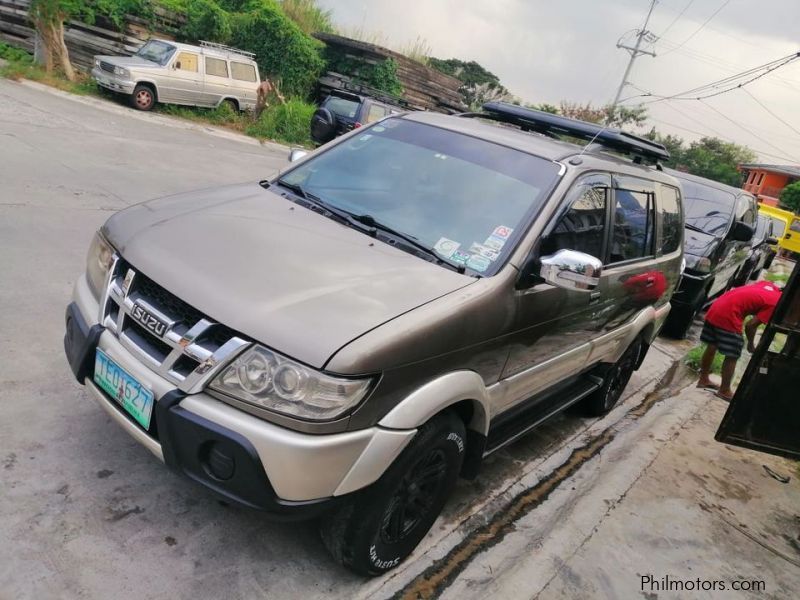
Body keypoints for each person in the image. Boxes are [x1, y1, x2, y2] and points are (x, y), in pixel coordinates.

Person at [696, 280, 782, 400]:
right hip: (729, 315)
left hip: (716, 307)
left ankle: (703, 379)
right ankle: (724, 390)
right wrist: (751, 345)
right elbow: (751, 325)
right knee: (733, 354)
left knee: (712, 345)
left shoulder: (769, 286)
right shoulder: (776, 304)